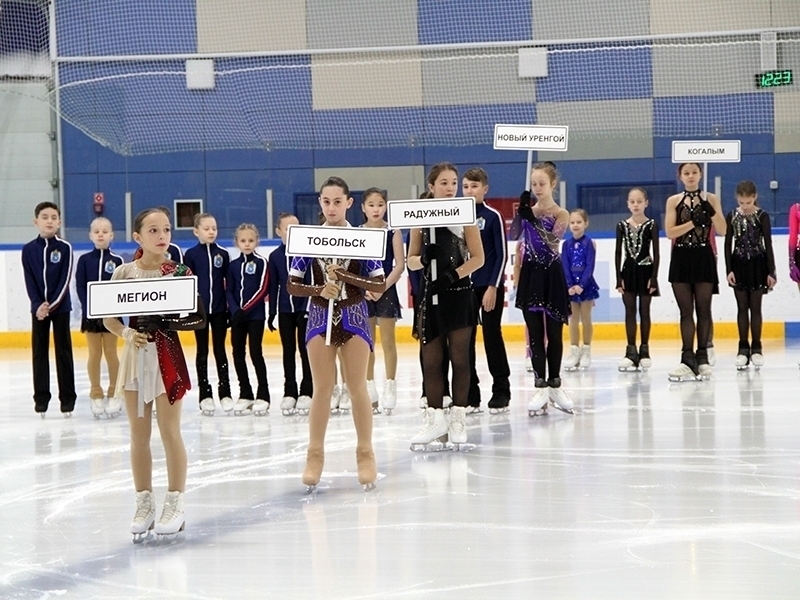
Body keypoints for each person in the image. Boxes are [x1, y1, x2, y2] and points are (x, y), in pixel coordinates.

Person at [103, 207, 206, 541]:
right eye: (153, 231)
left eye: (166, 230)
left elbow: (198, 319)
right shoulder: (123, 273)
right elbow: (107, 317)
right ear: (137, 237)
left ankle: (175, 501)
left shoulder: (178, 271)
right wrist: (126, 334)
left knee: (169, 431)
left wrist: (165, 323)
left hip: (167, 357)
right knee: (138, 433)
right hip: (135, 358)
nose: (162, 237)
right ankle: (144, 500)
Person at [287, 176, 385, 490]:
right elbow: (292, 285)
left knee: (357, 387)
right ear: (320, 203)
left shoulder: (362, 239)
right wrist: (320, 288)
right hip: (319, 315)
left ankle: (365, 452)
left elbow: (378, 285)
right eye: (326, 202)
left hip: (354, 315)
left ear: (348, 203)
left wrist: (344, 276)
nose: (331, 207)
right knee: (323, 389)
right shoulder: (308, 239)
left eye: (337, 202)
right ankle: (314, 454)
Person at [407, 162, 485, 449]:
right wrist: (424, 261)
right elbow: (410, 259)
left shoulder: (466, 215)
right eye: (444, 183)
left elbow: (478, 258)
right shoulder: (419, 218)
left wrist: (453, 275)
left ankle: (458, 418)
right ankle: (435, 419)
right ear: (431, 186)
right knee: (431, 360)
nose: (451, 188)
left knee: (461, 359)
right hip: (430, 296)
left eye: (454, 182)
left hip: (460, 294)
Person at [512, 162, 573, 415]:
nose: (538, 188)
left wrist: (533, 220)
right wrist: (521, 212)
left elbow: (552, 242)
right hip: (531, 275)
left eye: (542, 184)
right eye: (534, 184)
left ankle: (555, 383)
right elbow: (514, 233)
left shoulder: (562, 213)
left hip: (552, 275)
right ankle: (539, 384)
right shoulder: (528, 210)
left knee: (555, 334)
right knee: (535, 335)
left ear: (553, 185)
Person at [665, 163, 726, 381]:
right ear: (680, 176)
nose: (690, 176)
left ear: (700, 174)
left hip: (703, 256)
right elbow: (670, 231)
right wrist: (693, 222)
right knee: (685, 312)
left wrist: (711, 213)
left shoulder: (711, 198)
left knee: (703, 309)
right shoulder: (674, 201)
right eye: (686, 173)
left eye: (694, 172)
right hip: (681, 257)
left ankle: (702, 357)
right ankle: (686, 357)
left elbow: (723, 229)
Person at [462, 167, 511, 413]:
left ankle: (502, 390)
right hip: (464, 288)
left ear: (485, 189)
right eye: (466, 187)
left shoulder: (493, 216)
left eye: (474, 186)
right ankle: (471, 393)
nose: (470, 191)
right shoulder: (458, 217)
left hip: (488, 286)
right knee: (464, 341)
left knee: (492, 336)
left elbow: (502, 255)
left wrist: (493, 286)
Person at [22, 201, 77, 417]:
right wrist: (38, 306)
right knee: (39, 354)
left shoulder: (65, 248)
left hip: (60, 308)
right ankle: (41, 400)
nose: (49, 221)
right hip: (38, 311)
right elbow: (30, 281)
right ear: (36, 221)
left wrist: (51, 306)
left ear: (59, 222)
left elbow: (65, 281)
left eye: (54, 217)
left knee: (64, 352)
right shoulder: (28, 250)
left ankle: (67, 400)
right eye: (45, 217)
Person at [183, 213, 232, 415]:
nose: (211, 231)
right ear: (196, 232)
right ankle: (205, 394)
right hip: (200, 312)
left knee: (220, 350)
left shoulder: (224, 254)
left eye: (214, 228)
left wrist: (229, 307)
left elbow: (229, 284)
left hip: (220, 310)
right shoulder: (191, 255)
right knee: (202, 351)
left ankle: (225, 392)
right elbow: (188, 283)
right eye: (206, 228)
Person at [361, 188, 404, 414]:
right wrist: (366, 286)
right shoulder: (357, 232)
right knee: (367, 343)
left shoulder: (392, 231)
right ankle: (369, 387)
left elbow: (399, 264)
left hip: (386, 290)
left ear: (386, 206)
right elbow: (355, 265)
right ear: (363, 208)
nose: (376, 209)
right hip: (364, 292)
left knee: (388, 341)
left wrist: (381, 286)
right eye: (371, 204)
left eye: (380, 204)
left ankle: (390, 384)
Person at [75, 217, 124, 417]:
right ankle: (96, 392)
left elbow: (120, 288)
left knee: (111, 353)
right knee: (94, 354)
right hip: (91, 315)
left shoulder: (118, 261)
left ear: (111, 235)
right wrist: (89, 308)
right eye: (97, 232)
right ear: (90, 236)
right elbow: (80, 286)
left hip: (112, 315)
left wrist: (114, 309)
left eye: (105, 231)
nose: (101, 235)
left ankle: (114, 391)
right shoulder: (84, 260)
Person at [724, 180, 775, 369]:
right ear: (737, 198)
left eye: (748, 202)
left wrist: (772, 272)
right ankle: (742, 348)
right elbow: (727, 243)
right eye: (742, 202)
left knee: (756, 307)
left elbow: (768, 244)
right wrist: (728, 269)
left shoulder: (762, 216)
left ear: (755, 197)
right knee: (741, 307)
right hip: (738, 265)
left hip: (758, 265)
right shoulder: (732, 216)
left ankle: (757, 348)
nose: (745, 206)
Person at [268, 212, 313, 416]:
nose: (293, 232)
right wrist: (271, 313)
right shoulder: (275, 257)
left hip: (305, 309)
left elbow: (312, 282)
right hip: (285, 310)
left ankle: (307, 389)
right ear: (279, 232)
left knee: (306, 350)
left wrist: (311, 307)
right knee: (288, 350)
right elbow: (273, 286)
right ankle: (290, 390)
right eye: (288, 228)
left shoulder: (308, 253)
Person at [226, 224, 270, 415]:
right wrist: (235, 310)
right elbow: (229, 290)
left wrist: (246, 309)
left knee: (255, 352)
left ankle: (263, 394)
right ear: (237, 242)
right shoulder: (233, 265)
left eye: (250, 240)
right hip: (237, 317)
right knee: (237, 354)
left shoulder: (262, 262)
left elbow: (263, 288)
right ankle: (245, 393)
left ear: (256, 242)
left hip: (255, 316)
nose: (247, 244)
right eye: (243, 241)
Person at [615, 188, 660, 371]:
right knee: (630, 311)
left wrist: (654, 278)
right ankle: (630, 350)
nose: (636, 205)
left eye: (639, 201)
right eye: (632, 201)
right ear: (627, 204)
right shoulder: (622, 225)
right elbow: (618, 251)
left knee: (645, 311)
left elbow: (656, 252)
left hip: (646, 271)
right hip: (628, 272)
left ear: (646, 203)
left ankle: (645, 349)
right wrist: (618, 278)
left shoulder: (651, 225)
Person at [561, 209, 600, 371]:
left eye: (579, 222)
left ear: (586, 224)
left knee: (586, 318)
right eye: (572, 222)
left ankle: (586, 351)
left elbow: (590, 265)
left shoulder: (589, 243)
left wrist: (581, 285)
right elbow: (564, 265)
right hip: (571, 287)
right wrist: (570, 285)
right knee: (573, 320)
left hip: (586, 285)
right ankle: (574, 351)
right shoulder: (566, 244)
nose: (575, 225)